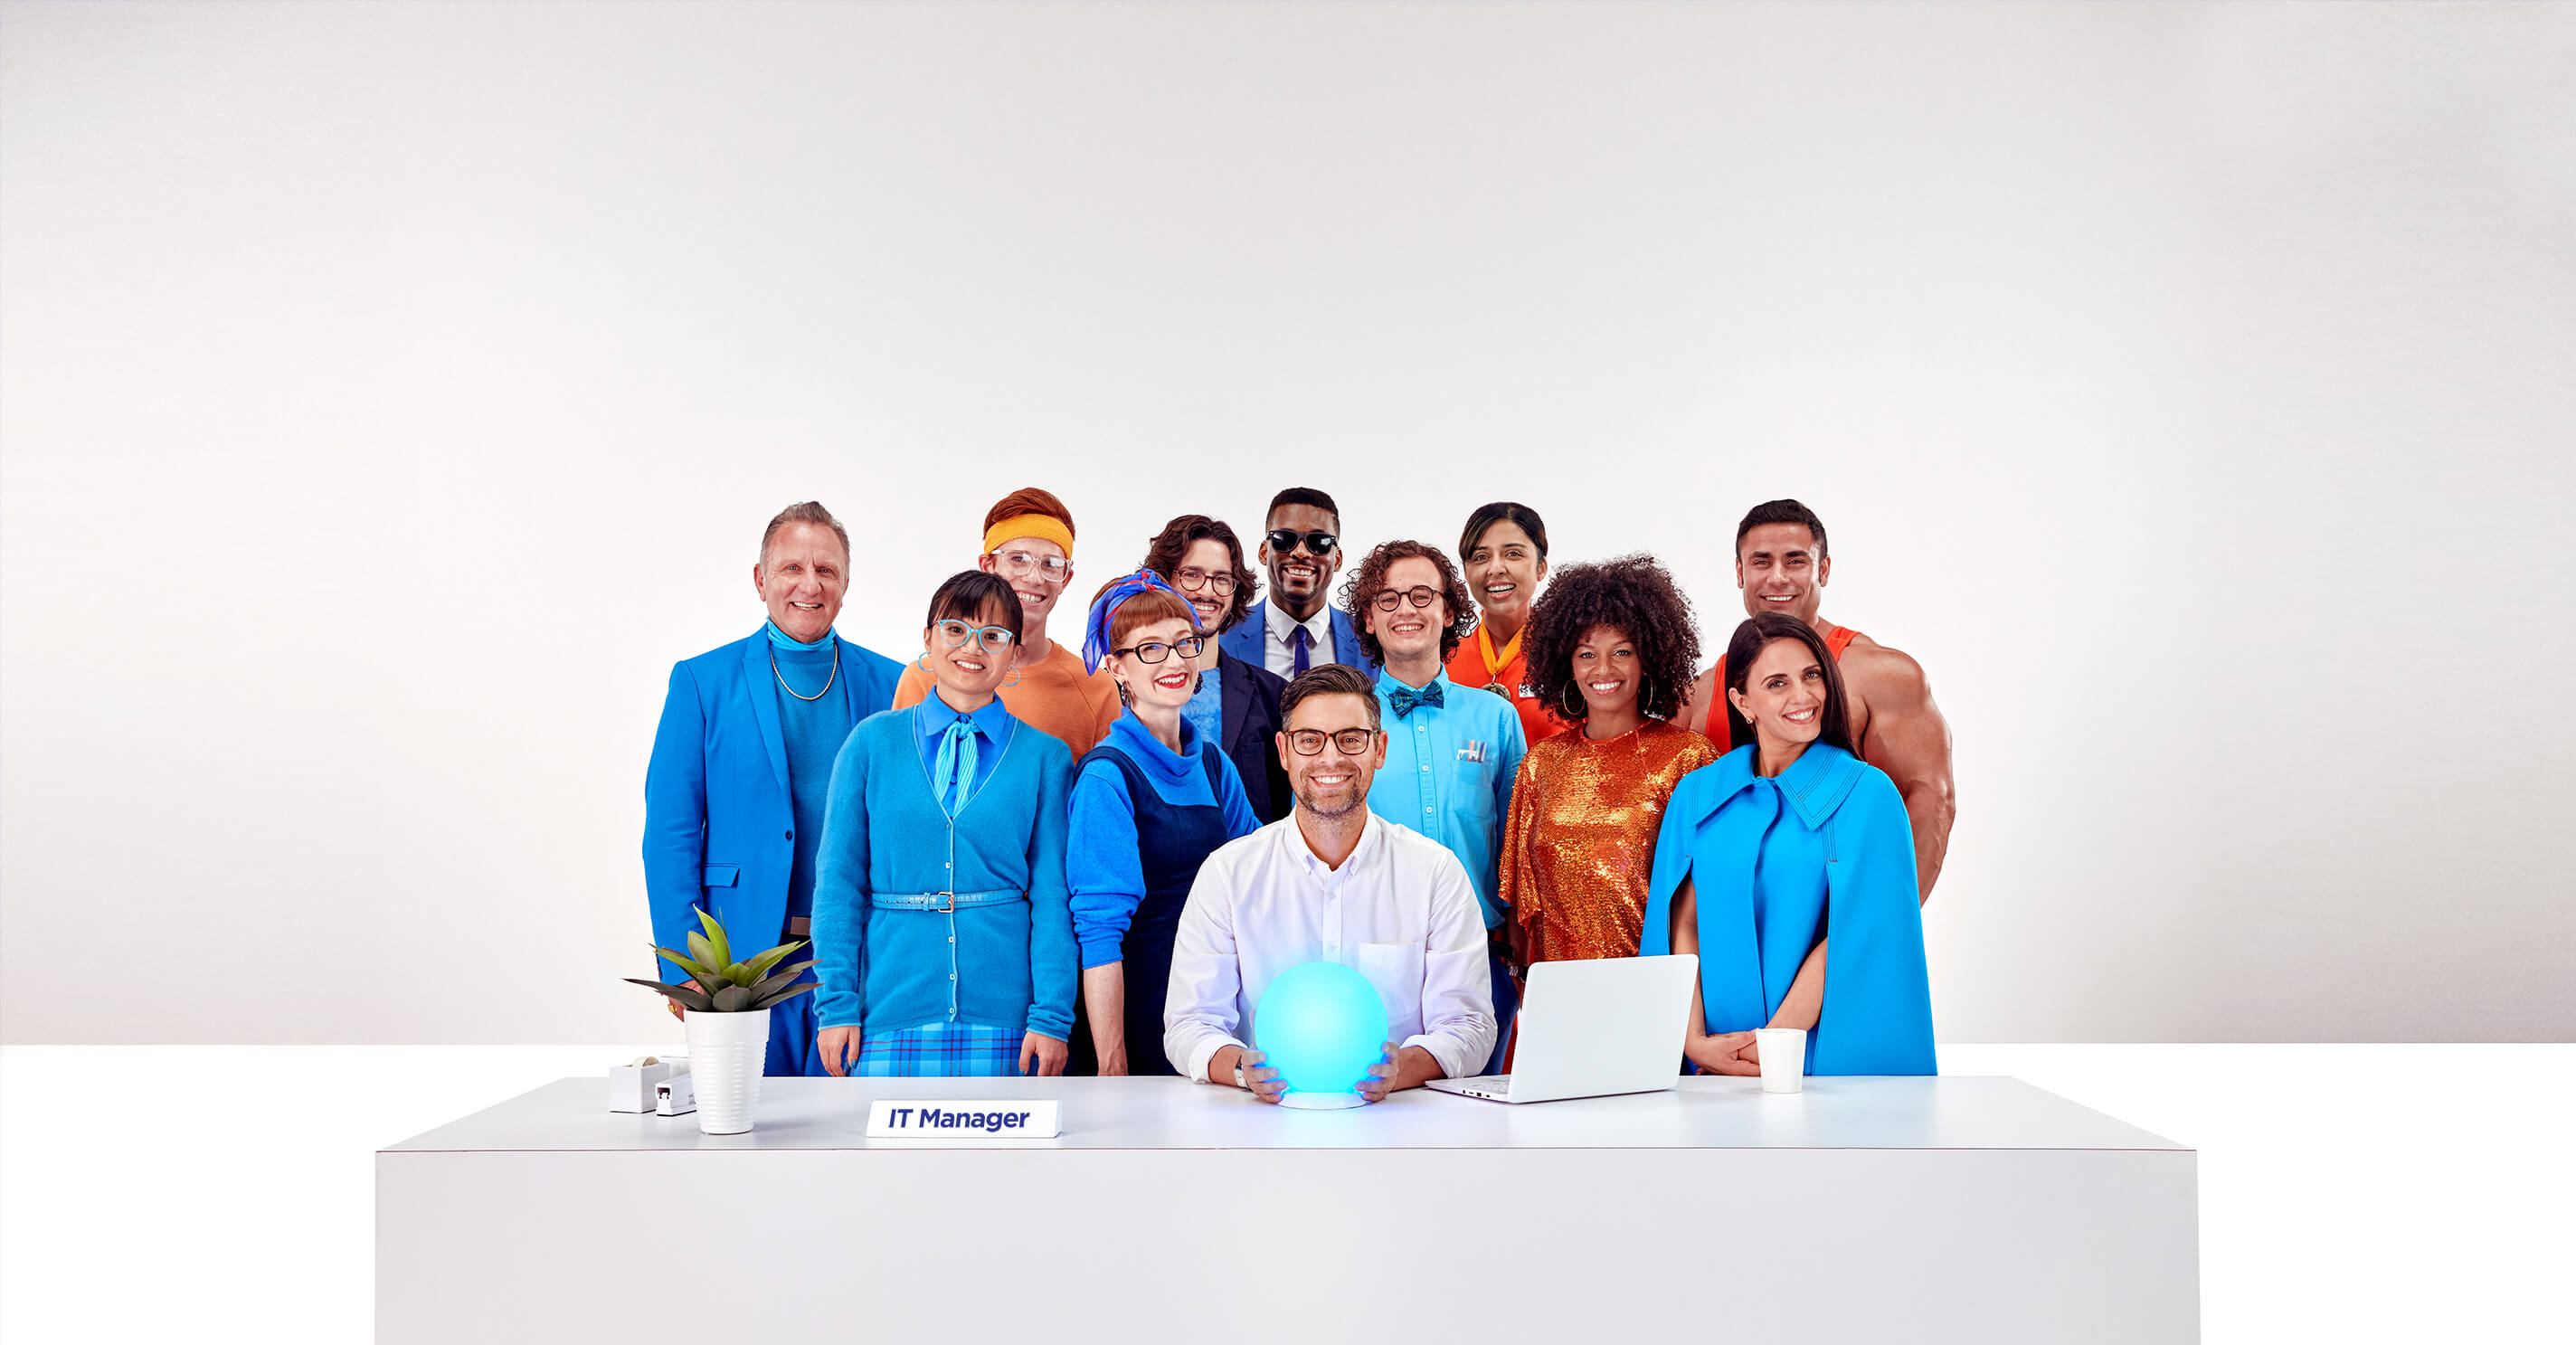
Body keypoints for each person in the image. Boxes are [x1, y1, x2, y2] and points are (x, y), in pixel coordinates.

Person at [642, 502, 905, 1076]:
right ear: (761, 580)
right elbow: (670, 834)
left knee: (855, 1120)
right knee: (752, 1119)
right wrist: (684, 964)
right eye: (792, 568)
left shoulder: (896, 684)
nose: (810, 585)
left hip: (865, 956)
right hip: (741, 960)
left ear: (846, 583)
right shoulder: (702, 682)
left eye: (827, 570)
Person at [1165, 664, 1497, 1102]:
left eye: (1350, 739)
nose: (1330, 758)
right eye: (1310, 740)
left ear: (1379, 749)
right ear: (1284, 751)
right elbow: (1189, 1024)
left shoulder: (1435, 873)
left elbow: (1469, 1026)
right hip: (1261, 1122)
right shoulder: (1228, 874)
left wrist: (1400, 1070)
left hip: (1402, 1118)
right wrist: (1243, 1070)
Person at [1643, 613, 1936, 1076]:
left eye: (1811, 675)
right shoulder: (1697, 794)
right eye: (1777, 683)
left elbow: (1857, 933)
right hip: (1711, 1061)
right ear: (1742, 702)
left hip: (1814, 1057)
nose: (1803, 696)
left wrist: (1773, 1046)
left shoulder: (1868, 794)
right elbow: (1683, 922)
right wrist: (1694, 1042)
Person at [810, 572, 1076, 1078]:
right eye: (956, 630)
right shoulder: (870, 743)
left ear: (1014, 653)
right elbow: (837, 885)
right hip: (886, 1009)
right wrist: (836, 1005)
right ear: (928, 639)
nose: (972, 647)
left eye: (993, 636)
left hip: (1011, 1020)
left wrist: (1052, 1017)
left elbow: (1052, 897)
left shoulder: (1046, 757)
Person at [1676, 499, 1955, 904]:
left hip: (1840, 911)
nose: (1777, 578)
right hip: (1731, 921)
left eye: (1795, 561)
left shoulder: (1882, 674)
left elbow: (1930, 801)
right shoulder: (1700, 692)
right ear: (1739, 572)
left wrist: (1873, 924)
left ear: (1823, 569)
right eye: (1760, 562)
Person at [1065, 571, 1264, 1075]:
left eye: (1183, 642)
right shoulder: (1106, 777)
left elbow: (1260, 877)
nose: (1175, 661)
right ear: (1116, 666)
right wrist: (1113, 1062)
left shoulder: (1214, 765)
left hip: (1216, 1009)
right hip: (1141, 1006)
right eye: (1150, 648)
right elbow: (1100, 932)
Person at [1343, 539, 1528, 1075]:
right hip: (1368, 953)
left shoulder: (1495, 717)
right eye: (1389, 598)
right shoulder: (1342, 720)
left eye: (1422, 595)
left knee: (1479, 1107)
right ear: (1369, 619)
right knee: (1374, 1095)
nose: (1406, 609)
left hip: (1480, 955)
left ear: (1449, 612)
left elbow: (1516, 844)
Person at [1501, 554, 1720, 972]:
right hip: (1560, 989)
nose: (1603, 669)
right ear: (1567, 664)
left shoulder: (1688, 758)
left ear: (1647, 658)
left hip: (1654, 984)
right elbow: (1520, 905)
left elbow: (1708, 894)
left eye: (1622, 652)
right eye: (1587, 654)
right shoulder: (1540, 765)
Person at [894, 487, 1121, 758]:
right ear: (987, 566)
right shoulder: (923, 678)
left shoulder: (1096, 689)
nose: (1034, 578)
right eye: (1018, 559)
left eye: (1051, 564)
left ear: (1065, 579)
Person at [1139, 515, 1293, 822]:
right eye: (1192, 575)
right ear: (1162, 580)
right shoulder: (1122, 689)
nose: (1207, 592)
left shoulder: (1273, 695)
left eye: (1222, 579)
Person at [1217, 487, 1375, 678]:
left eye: (1319, 542)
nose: (1300, 552)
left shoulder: (1370, 639)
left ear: (1338, 559)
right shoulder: (1222, 636)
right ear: (1264, 552)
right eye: (1285, 539)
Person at [1445, 502, 1567, 746]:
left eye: (1513, 554)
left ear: (1541, 567)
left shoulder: (1569, 657)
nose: (1496, 568)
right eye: (1481, 557)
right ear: (1466, 572)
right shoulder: (1443, 661)